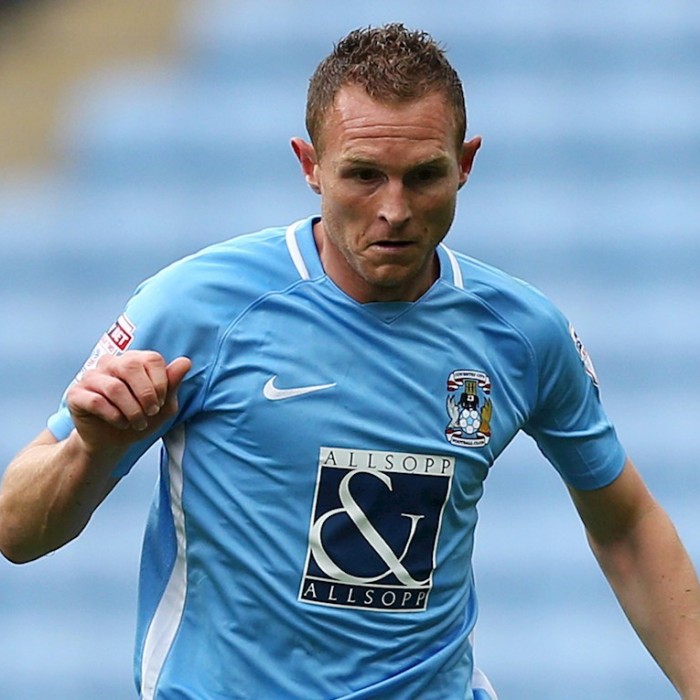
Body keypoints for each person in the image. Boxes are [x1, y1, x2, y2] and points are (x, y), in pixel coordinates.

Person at [0, 22, 698, 700]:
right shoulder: (199, 306)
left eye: (423, 176)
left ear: (466, 163)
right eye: (363, 175)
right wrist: (91, 450)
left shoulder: (521, 334)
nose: (394, 209)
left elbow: (627, 526)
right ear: (310, 166)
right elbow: (15, 530)